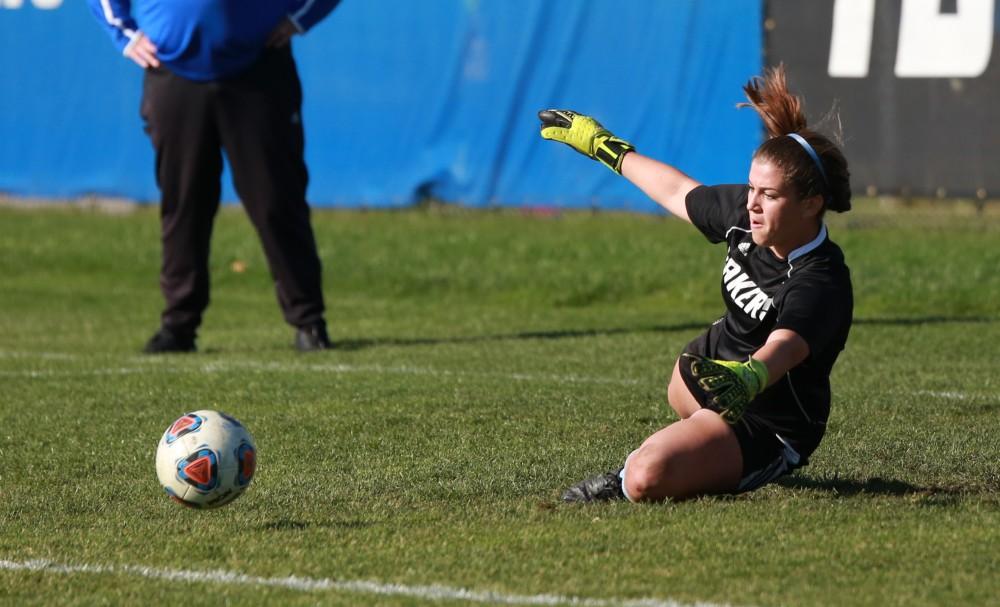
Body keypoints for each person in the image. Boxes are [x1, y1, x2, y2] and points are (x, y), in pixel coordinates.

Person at [538, 65, 853, 502]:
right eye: (752, 189)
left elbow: (788, 345)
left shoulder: (822, 278)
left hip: (766, 420)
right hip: (705, 374)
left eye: (771, 195)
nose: (753, 204)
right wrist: (604, 147)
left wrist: (750, 375)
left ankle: (637, 471)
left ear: (812, 204)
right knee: (679, 408)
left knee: (645, 477)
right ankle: (698, 450)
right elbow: (676, 190)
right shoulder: (747, 218)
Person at [87, 0, 342, 353]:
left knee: (276, 201)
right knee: (185, 203)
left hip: (259, 69)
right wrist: (124, 32)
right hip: (172, 72)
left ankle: (309, 321)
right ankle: (178, 327)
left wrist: (299, 17)